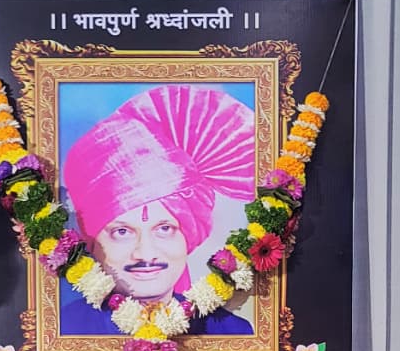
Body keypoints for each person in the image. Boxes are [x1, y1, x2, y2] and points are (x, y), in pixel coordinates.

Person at [59, 84, 255, 334]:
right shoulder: (64, 329)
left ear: (187, 236)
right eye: (121, 232)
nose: (146, 254)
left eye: (164, 228)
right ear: (91, 241)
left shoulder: (231, 332)